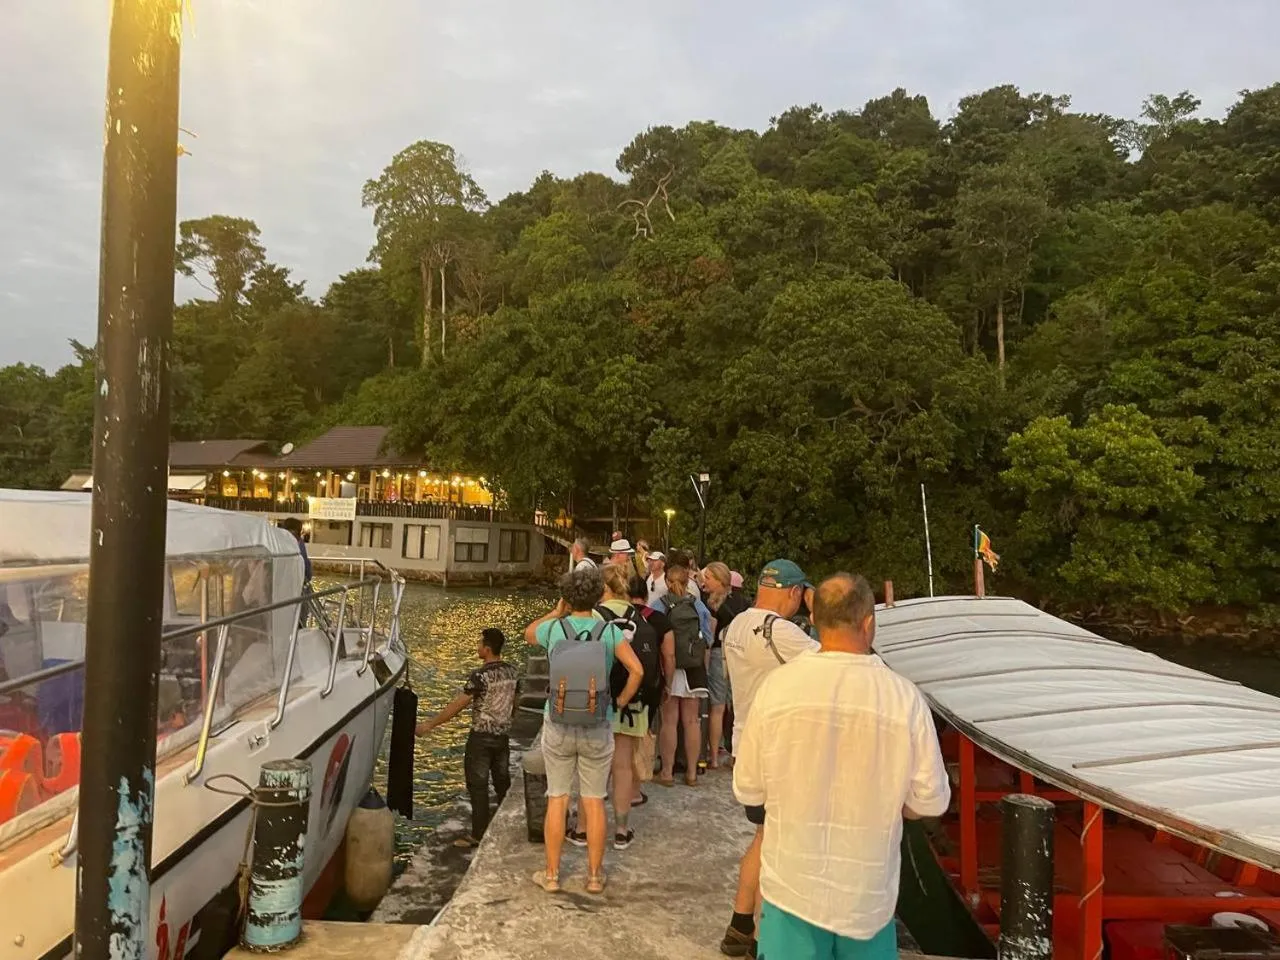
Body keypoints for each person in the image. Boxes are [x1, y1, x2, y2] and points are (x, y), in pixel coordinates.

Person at [735, 574, 950, 960]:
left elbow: (749, 787)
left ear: (813, 616)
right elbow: (930, 801)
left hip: (791, 886)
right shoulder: (904, 698)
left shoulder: (778, 687)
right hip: (867, 896)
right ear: (868, 622)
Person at [719, 559, 820, 958]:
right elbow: (840, 659)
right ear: (794, 593)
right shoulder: (783, 632)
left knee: (765, 838)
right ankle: (765, 938)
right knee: (780, 847)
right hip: (777, 755)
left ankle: (740, 925)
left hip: (746, 747)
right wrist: (819, 610)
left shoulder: (738, 625)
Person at [524, 566, 644, 894]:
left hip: (559, 721)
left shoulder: (554, 629)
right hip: (597, 721)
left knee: (557, 798)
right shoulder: (608, 632)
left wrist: (556, 610)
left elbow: (528, 632)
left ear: (567, 595)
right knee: (593, 800)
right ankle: (593, 876)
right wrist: (618, 701)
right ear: (597, 595)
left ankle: (550, 875)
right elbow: (637, 669)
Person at [415, 629, 519, 846]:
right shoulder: (512, 671)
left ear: (487, 649)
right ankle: (508, 827)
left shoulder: (480, 676)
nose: (477, 646)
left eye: (479, 643)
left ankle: (478, 835)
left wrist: (429, 725)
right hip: (502, 736)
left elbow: (457, 706)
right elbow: (515, 703)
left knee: (478, 785)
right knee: (502, 782)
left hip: (481, 738)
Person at [598, 564, 662, 849]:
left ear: (604, 588)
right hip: (633, 703)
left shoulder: (596, 616)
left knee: (595, 767)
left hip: (599, 704)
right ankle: (622, 830)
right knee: (623, 767)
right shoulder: (641, 616)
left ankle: (586, 828)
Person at [653, 564, 710, 787]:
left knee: (669, 721)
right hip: (694, 668)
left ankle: (667, 772)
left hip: (670, 666)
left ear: (667, 582)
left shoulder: (659, 605)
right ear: (689, 582)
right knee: (691, 721)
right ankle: (692, 772)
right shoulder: (698, 606)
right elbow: (707, 637)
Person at [702, 562, 746, 771]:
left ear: (719, 580)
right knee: (735, 706)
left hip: (719, 654)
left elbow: (710, 637)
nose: (704, 581)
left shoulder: (710, 603)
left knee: (717, 707)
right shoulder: (742, 602)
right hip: (740, 654)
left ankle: (713, 756)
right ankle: (735, 753)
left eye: (708, 577)